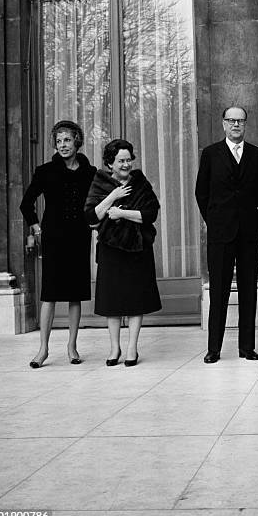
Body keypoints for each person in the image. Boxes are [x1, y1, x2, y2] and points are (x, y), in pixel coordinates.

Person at [20, 120, 96, 368]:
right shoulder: (45, 171)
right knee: (50, 294)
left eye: (67, 140)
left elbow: (96, 204)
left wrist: (96, 224)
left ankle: (72, 347)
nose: (62, 145)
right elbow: (26, 203)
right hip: (53, 238)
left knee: (75, 294)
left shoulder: (90, 172)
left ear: (77, 141)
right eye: (59, 141)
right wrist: (36, 226)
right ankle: (43, 349)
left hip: (79, 237)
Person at [195, 106, 258, 364]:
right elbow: (201, 192)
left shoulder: (257, 155)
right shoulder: (211, 154)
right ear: (223, 124)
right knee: (219, 291)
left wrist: (255, 218)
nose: (236, 125)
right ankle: (214, 348)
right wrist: (213, 220)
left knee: (249, 291)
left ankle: (247, 347)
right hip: (220, 234)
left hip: (248, 233)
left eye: (240, 121)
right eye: (231, 120)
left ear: (246, 125)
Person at [84, 139, 161, 367]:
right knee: (113, 300)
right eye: (121, 161)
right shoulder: (100, 182)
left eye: (129, 160)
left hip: (138, 249)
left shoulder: (140, 183)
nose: (126, 164)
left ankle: (131, 348)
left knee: (136, 299)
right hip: (111, 249)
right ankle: (114, 347)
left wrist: (122, 214)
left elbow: (150, 214)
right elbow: (91, 217)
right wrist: (113, 197)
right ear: (110, 163)